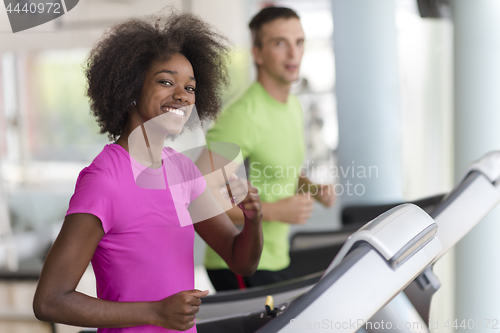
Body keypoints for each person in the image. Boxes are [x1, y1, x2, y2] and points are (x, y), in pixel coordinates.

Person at [33, 12, 263, 333]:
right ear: (131, 86)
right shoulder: (104, 180)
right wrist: (155, 312)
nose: (182, 95)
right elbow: (50, 300)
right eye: (166, 82)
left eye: (190, 87)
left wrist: (253, 220)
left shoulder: (183, 170)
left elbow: (241, 260)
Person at [198, 7, 336, 291]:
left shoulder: (293, 106)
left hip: (273, 257)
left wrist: (312, 188)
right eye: (279, 43)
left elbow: (277, 167)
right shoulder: (243, 116)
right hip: (238, 261)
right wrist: (273, 211)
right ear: (258, 53)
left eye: (299, 42)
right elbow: (198, 197)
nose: (293, 53)